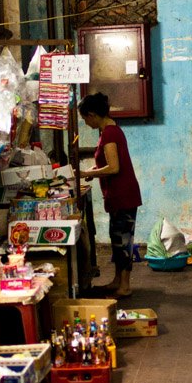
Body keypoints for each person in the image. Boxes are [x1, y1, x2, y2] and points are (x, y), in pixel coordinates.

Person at [78, 93, 143, 297]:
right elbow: (108, 164)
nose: (86, 124)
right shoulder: (109, 130)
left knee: (123, 242)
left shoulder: (109, 134)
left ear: (92, 115)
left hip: (123, 195)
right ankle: (118, 281)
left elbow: (114, 167)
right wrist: (94, 170)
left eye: (85, 119)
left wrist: (88, 173)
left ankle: (124, 287)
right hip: (120, 195)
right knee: (118, 240)